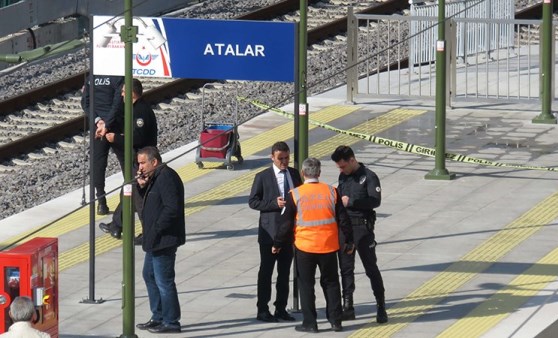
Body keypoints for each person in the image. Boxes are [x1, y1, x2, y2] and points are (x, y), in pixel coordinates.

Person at [273, 157, 354, 333]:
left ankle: (310, 323)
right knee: (332, 283)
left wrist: (277, 243)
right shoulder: (332, 192)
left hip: (305, 248)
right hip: (328, 246)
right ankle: (336, 321)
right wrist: (349, 240)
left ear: (303, 173)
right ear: (319, 173)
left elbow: (285, 224)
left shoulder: (295, 194)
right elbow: (344, 220)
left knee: (306, 285)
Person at [330, 145, 388, 323]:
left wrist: (352, 202)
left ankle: (381, 306)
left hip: (362, 228)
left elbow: (375, 201)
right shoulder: (343, 176)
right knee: (346, 268)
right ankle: (348, 306)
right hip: (345, 229)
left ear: (352, 160)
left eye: (342, 166)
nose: (341, 169)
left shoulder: (369, 177)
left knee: (371, 268)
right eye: (339, 167)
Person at [98, 78, 158, 243]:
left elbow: (137, 137)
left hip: (143, 160)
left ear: (132, 93)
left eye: (124, 91)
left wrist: (115, 138)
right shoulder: (134, 109)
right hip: (139, 158)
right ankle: (117, 225)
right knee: (128, 190)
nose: (121, 94)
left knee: (138, 197)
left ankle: (148, 233)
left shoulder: (140, 112)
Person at [248, 141, 302, 322]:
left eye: (287, 158)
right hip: (269, 233)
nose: (284, 162)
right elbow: (253, 202)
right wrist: (273, 203)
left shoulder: (294, 174)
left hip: (289, 233)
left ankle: (281, 308)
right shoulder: (262, 177)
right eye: (281, 158)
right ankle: (262, 309)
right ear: (272, 157)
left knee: (284, 272)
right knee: (266, 272)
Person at [134, 146, 185, 334]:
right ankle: (158, 316)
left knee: (164, 280)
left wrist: (155, 229)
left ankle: (171, 321)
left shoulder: (166, 178)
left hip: (164, 239)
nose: (139, 167)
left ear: (154, 162)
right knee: (149, 275)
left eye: (142, 163)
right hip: (154, 239)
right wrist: (141, 186)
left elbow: (172, 208)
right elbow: (145, 204)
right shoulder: (154, 178)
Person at [81, 74, 125, 215]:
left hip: (97, 128)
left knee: (98, 163)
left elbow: (85, 102)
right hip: (116, 126)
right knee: (126, 161)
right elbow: (118, 103)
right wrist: (107, 123)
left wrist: (98, 121)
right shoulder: (117, 77)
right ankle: (133, 198)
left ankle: (101, 203)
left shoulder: (91, 78)